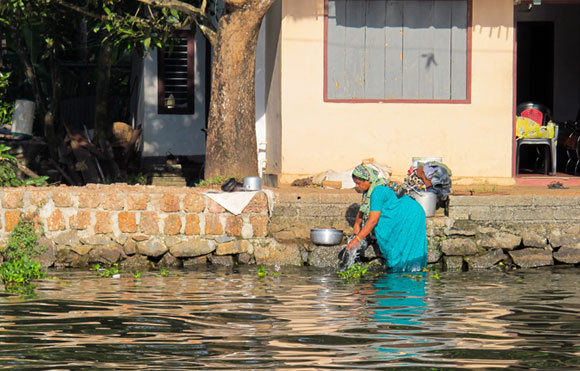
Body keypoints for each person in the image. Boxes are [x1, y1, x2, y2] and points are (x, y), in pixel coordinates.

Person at [346, 164, 427, 272]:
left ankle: (408, 275)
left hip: (410, 216)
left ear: (367, 180)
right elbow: (364, 208)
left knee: (406, 248)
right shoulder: (372, 188)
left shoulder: (377, 192)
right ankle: (404, 275)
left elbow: (373, 220)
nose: (357, 186)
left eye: (358, 183)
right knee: (401, 247)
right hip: (407, 213)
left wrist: (357, 239)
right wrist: (357, 224)